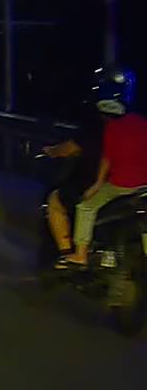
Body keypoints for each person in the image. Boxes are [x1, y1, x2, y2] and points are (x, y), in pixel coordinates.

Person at [58, 66, 147, 269]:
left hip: (121, 185)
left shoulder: (111, 128)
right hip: (144, 185)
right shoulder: (142, 123)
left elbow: (107, 159)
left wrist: (96, 185)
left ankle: (80, 254)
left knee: (85, 207)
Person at [43, 97, 106, 255]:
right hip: (130, 184)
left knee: (55, 201)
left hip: (96, 183)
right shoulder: (129, 128)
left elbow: (67, 149)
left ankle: (66, 253)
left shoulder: (94, 130)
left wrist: (51, 151)